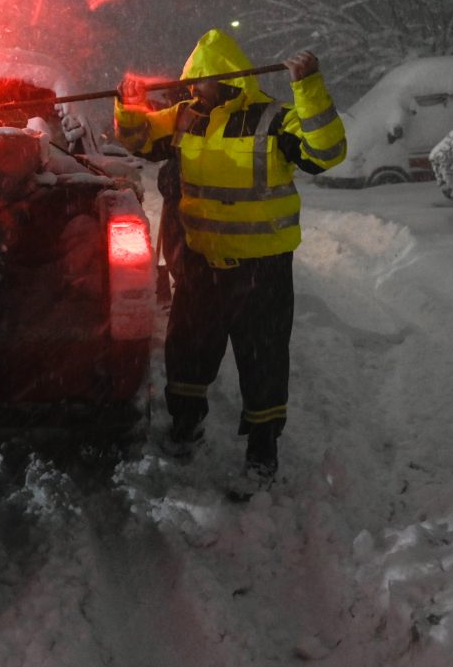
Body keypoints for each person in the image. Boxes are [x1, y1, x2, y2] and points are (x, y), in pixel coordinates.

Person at [114, 28, 347, 489]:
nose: (192, 90)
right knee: (188, 352)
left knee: (262, 361)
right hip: (201, 264)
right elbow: (137, 141)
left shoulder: (274, 119)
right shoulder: (183, 119)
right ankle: (185, 427)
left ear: (228, 80)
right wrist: (129, 104)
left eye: (201, 82)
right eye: (191, 82)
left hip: (262, 269)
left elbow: (327, 153)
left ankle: (263, 450)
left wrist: (309, 87)